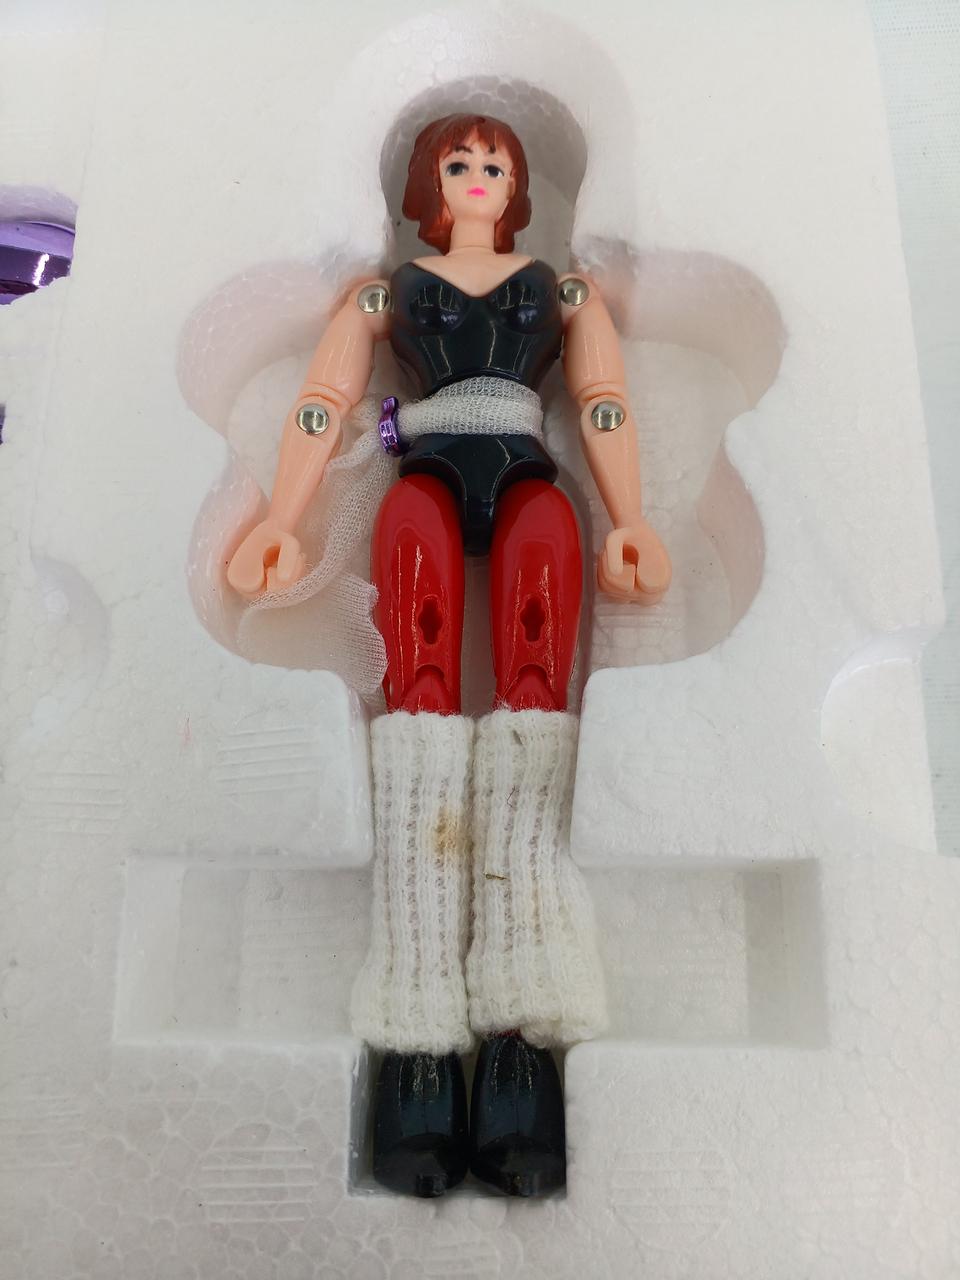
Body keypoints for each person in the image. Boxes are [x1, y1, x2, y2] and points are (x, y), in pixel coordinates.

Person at [228, 113, 670, 1198]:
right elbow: (324, 402)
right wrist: (282, 515)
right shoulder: (386, 293)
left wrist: (630, 518)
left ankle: (518, 1042)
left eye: (495, 165)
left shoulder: (562, 291)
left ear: (518, 187)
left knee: (535, 693)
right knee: (417, 695)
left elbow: (603, 401)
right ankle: (418, 1041)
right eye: (459, 164)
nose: (478, 177)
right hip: (422, 478)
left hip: (527, 477)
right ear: (430, 187)